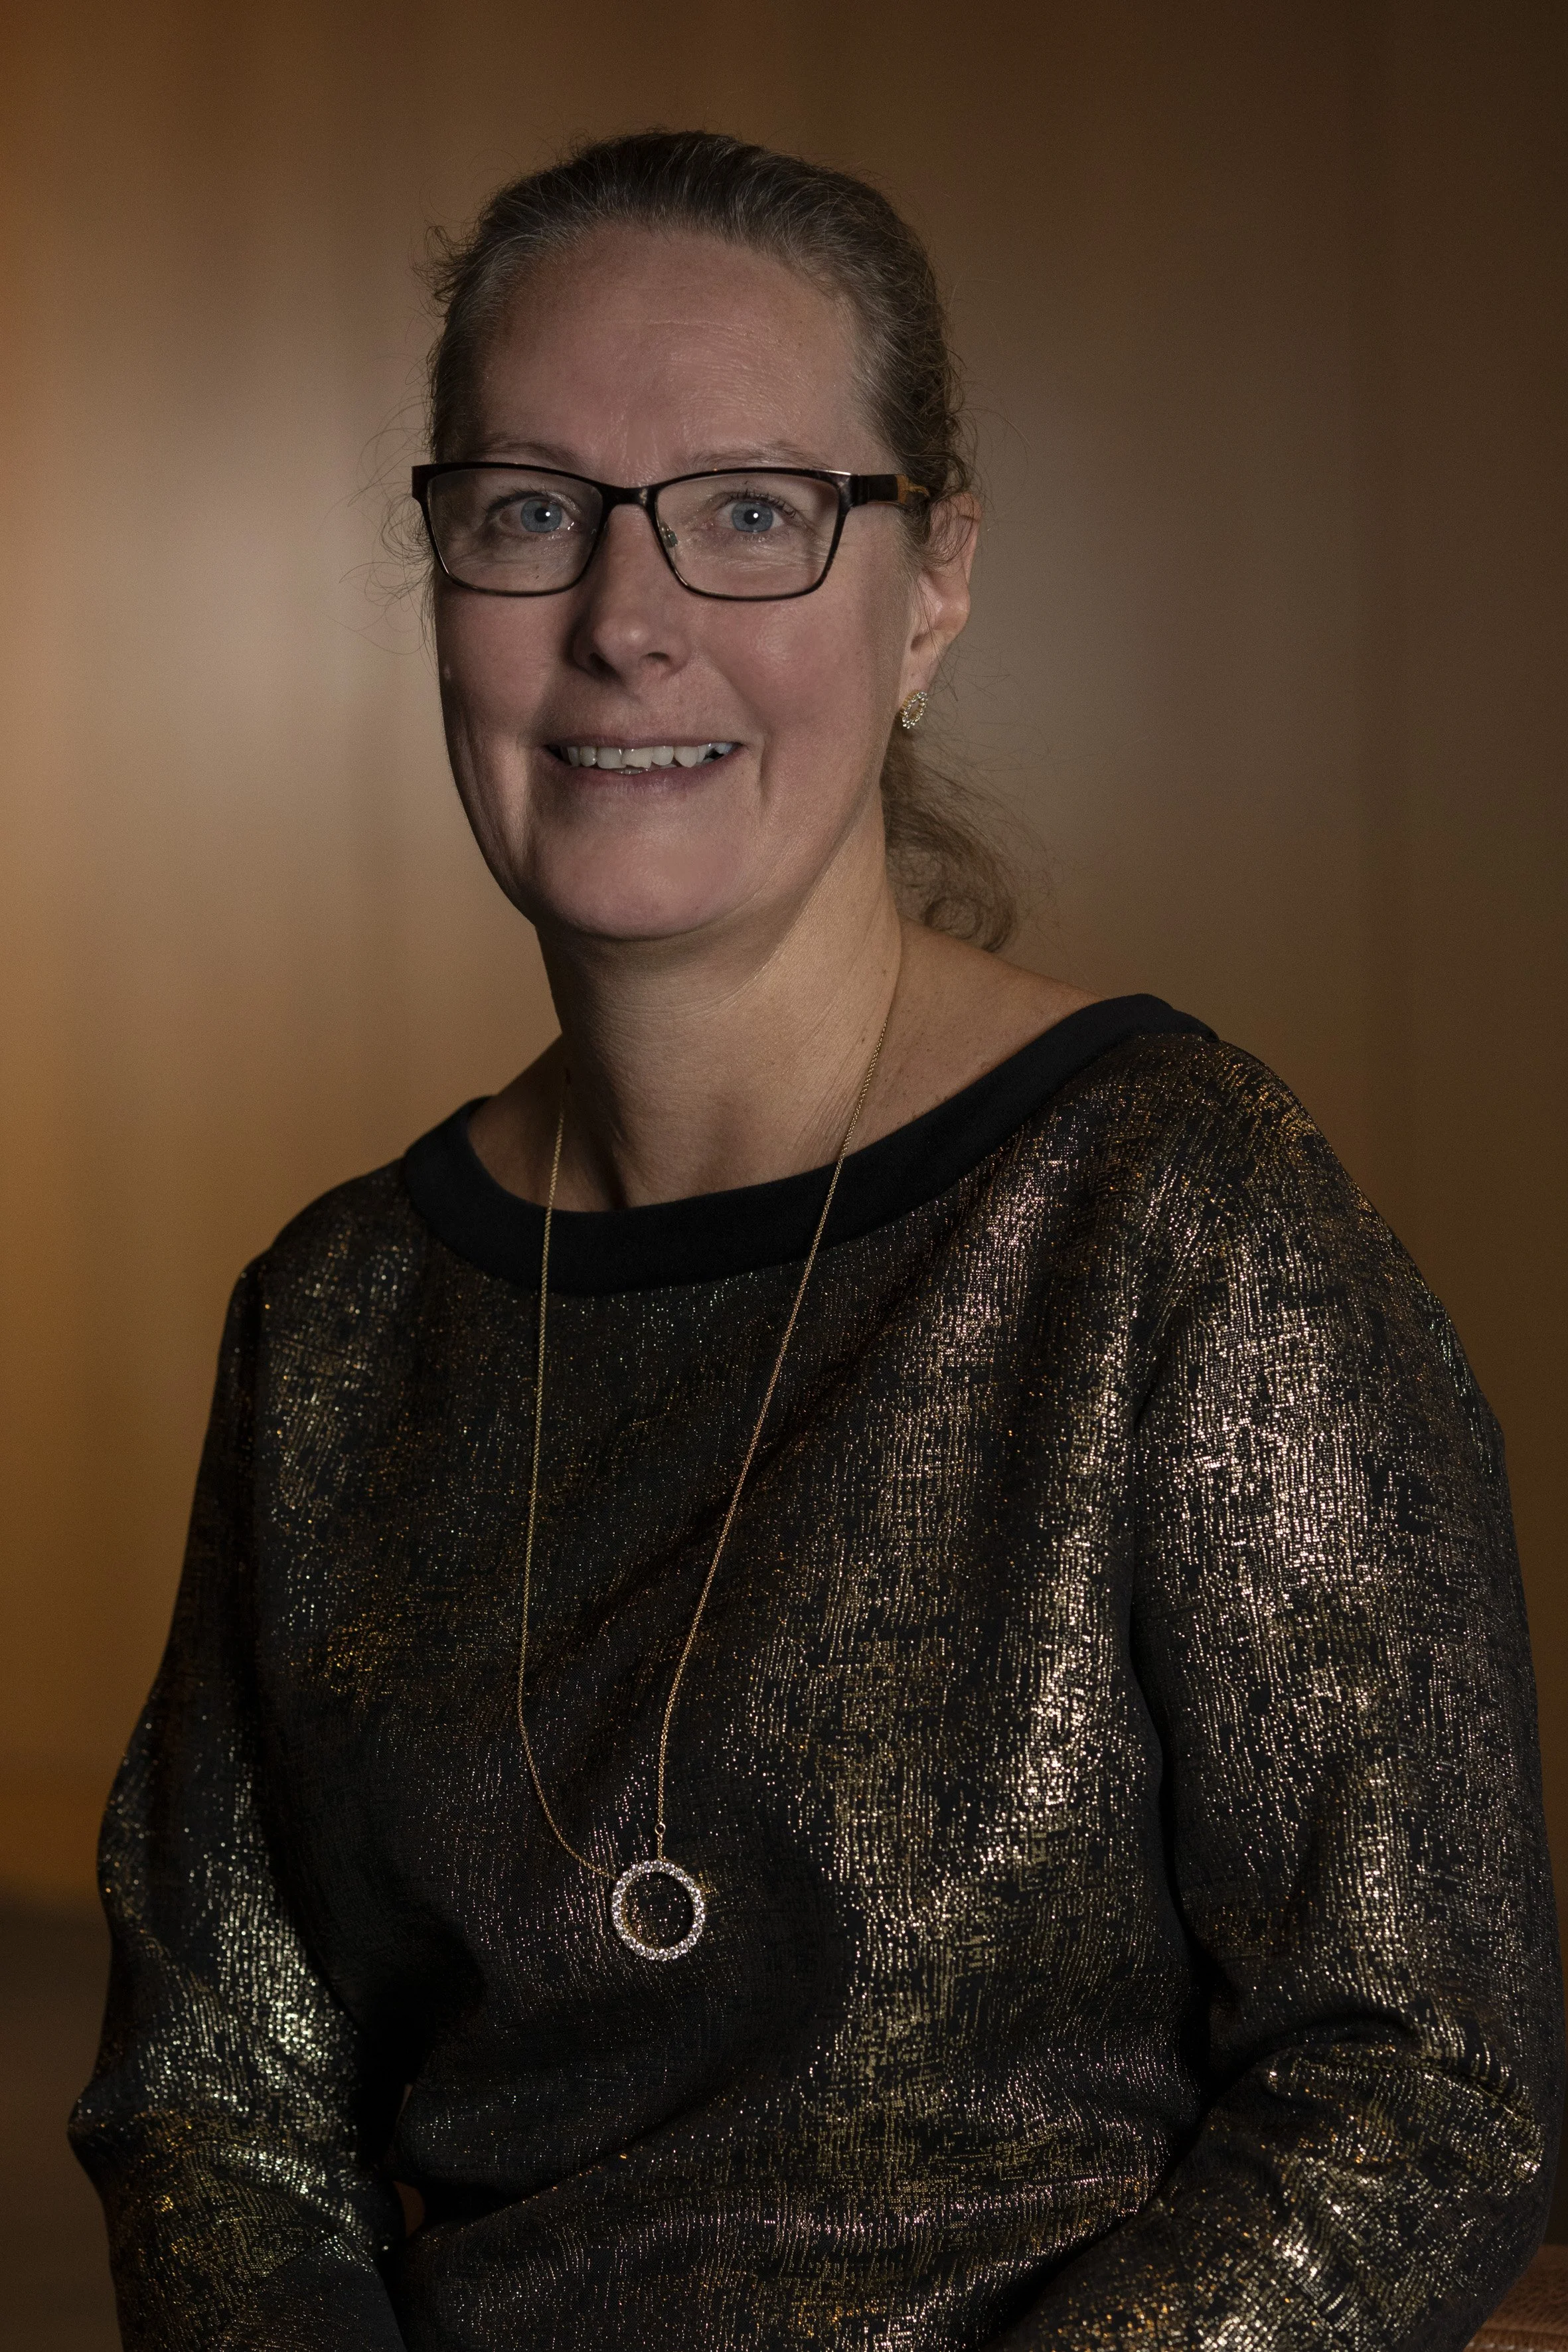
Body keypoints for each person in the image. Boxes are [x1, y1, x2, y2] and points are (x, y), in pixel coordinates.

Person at [71, 130, 1561, 2352]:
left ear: (935, 580)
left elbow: (1428, 2094)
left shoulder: (1178, 1212)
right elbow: (221, 2109)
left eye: (753, 512)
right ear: (441, 573)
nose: (626, 617)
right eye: (529, 511)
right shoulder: (336, 1319)